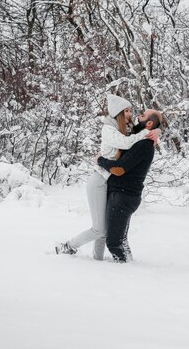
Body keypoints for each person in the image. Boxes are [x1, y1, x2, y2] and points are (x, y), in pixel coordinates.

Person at [55, 95, 160, 260]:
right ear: (118, 112)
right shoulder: (109, 129)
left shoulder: (123, 129)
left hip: (108, 182)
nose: (131, 114)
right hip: (99, 181)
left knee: (103, 229)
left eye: (131, 111)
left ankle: (97, 260)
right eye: (127, 111)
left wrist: (155, 130)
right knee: (99, 229)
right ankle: (68, 246)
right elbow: (127, 143)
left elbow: (140, 130)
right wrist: (148, 132)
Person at [96, 109, 162, 262]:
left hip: (123, 196)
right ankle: (129, 264)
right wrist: (157, 130)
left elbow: (119, 169)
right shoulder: (138, 139)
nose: (137, 116)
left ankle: (127, 272)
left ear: (149, 123)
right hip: (125, 195)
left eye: (142, 116)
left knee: (114, 242)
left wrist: (100, 161)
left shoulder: (144, 144)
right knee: (121, 240)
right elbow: (128, 129)